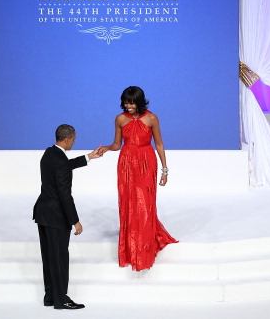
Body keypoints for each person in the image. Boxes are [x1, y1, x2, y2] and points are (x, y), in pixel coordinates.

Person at [99, 86, 177, 271]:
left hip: (146, 162)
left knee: (145, 202)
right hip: (126, 163)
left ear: (140, 101)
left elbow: (158, 143)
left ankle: (144, 246)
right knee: (128, 202)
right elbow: (118, 144)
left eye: (132, 102)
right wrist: (107, 148)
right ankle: (130, 245)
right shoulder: (120, 119)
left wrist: (165, 170)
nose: (129, 106)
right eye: (126, 102)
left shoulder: (151, 118)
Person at [33, 124, 102, 310]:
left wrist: (89, 157)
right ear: (66, 139)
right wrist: (75, 221)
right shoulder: (59, 160)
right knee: (59, 258)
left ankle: (50, 296)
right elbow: (65, 194)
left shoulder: (49, 154)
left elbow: (64, 165)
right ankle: (61, 299)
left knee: (49, 258)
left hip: (43, 214)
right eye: (73, 139)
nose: (74, 141)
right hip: (56, 217)